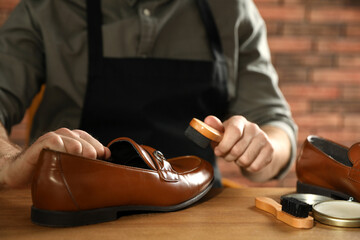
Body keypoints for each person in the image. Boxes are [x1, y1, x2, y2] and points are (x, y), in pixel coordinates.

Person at [0, 0, 297, 189]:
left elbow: (275, 124)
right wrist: (9, 162)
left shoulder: (231, 9)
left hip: (195, 215)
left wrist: (261, 147)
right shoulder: (46, 8)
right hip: (72, 210)